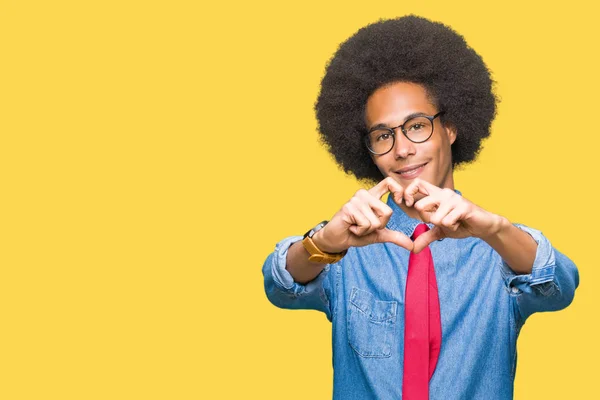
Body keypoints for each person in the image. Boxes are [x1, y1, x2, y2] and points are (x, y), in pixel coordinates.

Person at [262, 15, 579, 400]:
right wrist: (325, 242)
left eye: (416, 126)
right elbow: (279, 286)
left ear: (450, 127)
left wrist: (495, 230)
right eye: (383, 135)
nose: (402, 149)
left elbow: (559, 286)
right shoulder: (347, 248)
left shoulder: (499, 249)